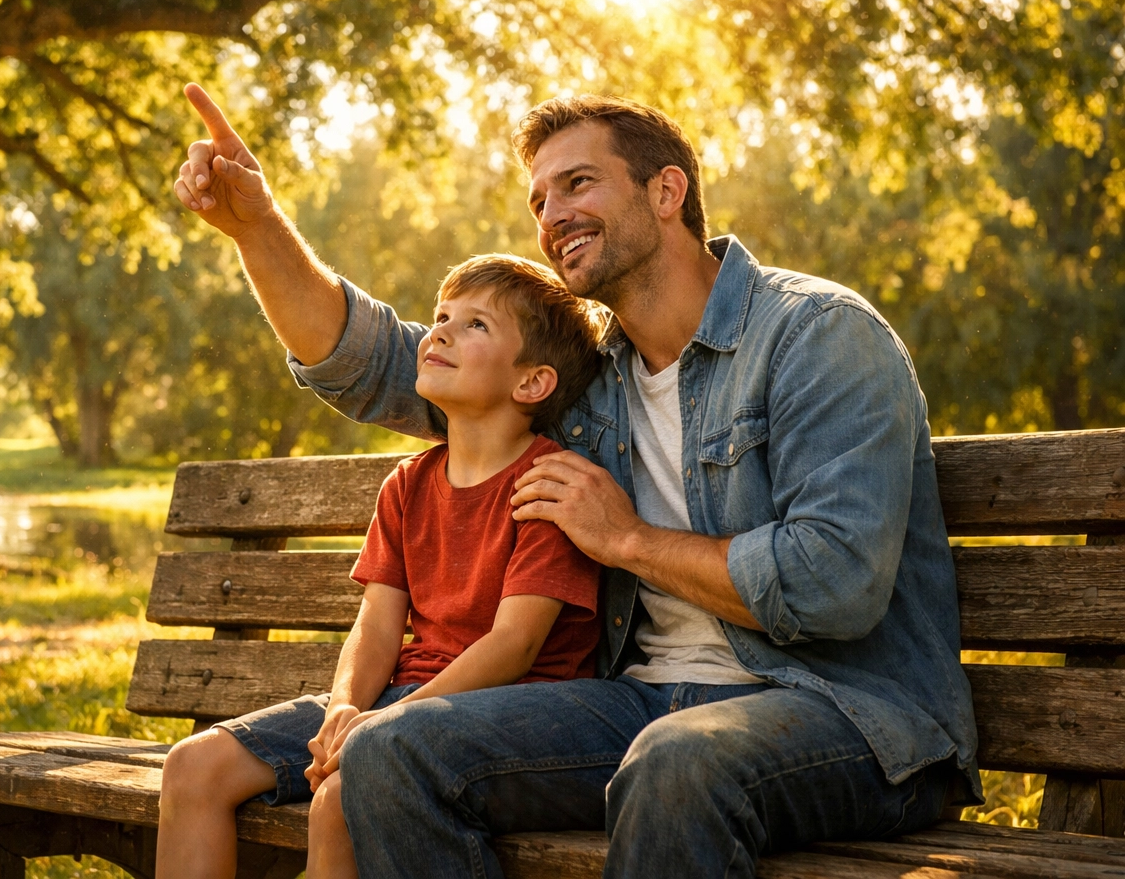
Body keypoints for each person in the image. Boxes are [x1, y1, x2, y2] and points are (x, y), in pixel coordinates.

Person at [171, 85, 979, 878]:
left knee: (674, 762)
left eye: (577, 183)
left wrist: (629, 540)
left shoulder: (816, 336)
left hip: (847, 715)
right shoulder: (591, 385)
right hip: (634, 706)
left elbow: (833, 584)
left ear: (668, 191)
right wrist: (256, 228)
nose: (551, 215)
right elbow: (373, 362)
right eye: (539, 200)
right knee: (391, 747)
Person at [155, 254, 606, 879]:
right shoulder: (407, 486)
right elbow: (376, 624)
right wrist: (345, 708)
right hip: (392, 702)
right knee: (193, 766)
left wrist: (381, 725)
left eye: (475, 325)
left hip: (496, 718)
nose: (439, 332)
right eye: (441, 316)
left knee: (343, 796)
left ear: (531, 382)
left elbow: (514, 645)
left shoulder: (547, 486)